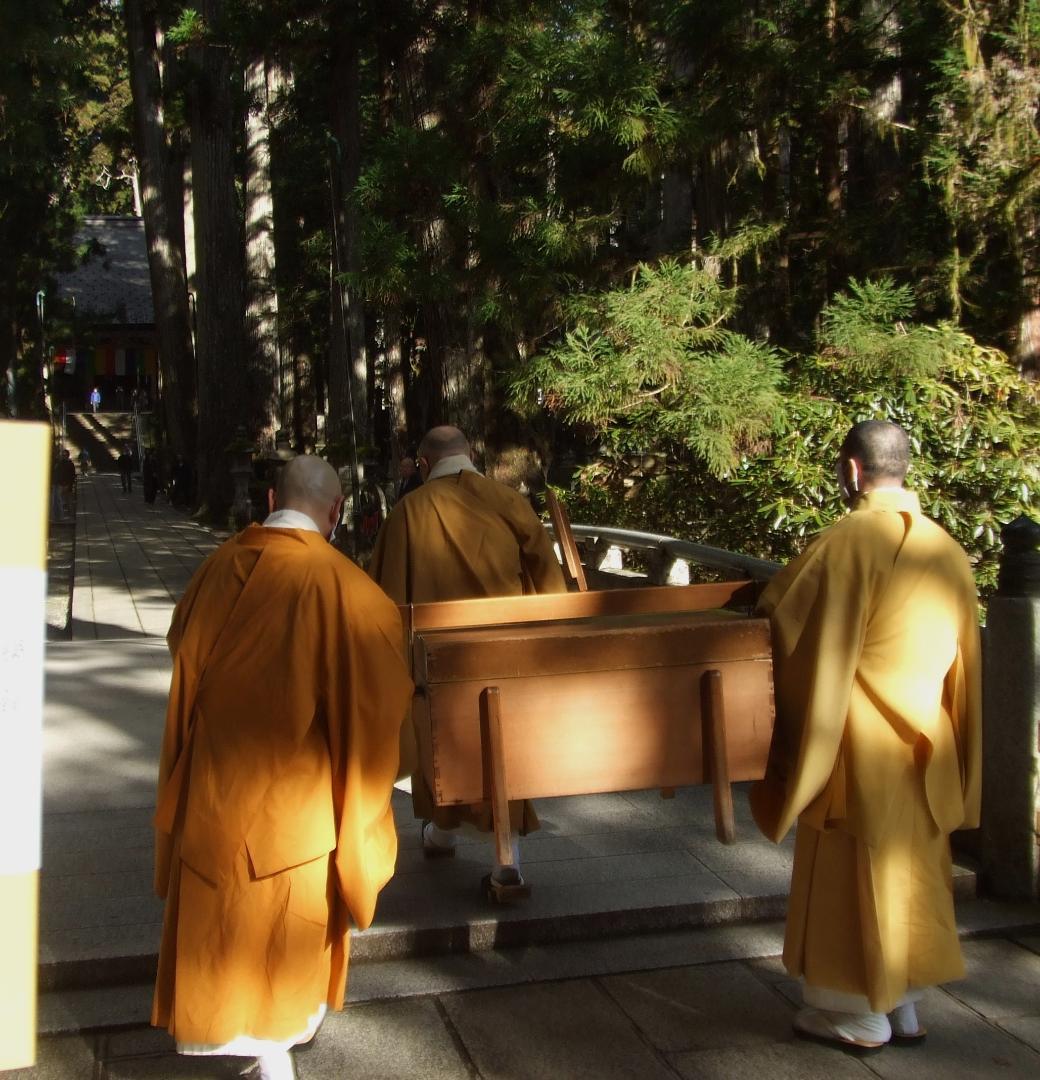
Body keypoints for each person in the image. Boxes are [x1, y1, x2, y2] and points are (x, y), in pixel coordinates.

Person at [151, 455, 413, 1080]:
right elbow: (375, 713)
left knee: (218, 925)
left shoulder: (216, 568)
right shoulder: (350, 590)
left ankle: (238, 1042)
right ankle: (273, 1056)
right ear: (337, 511)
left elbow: (182, 650)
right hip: (296, 811)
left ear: (271, 499)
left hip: (213, 792)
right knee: (279, 943)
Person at [750, 420, 982, 1050]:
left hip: (858, 741)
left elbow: (783, 624)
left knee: (853, 873)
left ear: (852, 470)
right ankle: (904, 1003)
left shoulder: (846, 542)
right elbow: (965, 666)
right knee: (913, 872)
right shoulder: (946, 548)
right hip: (927, 743)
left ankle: (856, 1013)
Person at [368, 425, 566, 899]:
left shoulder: (409, 512)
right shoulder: (510, 502)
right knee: (504, 750)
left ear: (423, 464)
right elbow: (549, 585)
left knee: (439, 744)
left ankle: (454, 838)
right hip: (506, 657)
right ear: (471, 455)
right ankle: (502, 859)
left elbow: (385, 602)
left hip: (437, 662)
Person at [54, 449, 77, 519]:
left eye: (65, 455)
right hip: (60, 484)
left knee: (68, 501)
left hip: (67, 485)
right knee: (61, 501)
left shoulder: (70, 464)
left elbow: (72, 475)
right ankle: (62, 516)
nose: (63, 456)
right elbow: (58, 473)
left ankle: (70, 516)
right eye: (62, 455)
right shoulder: (60, 463)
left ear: (68, 455)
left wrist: (69, 485)